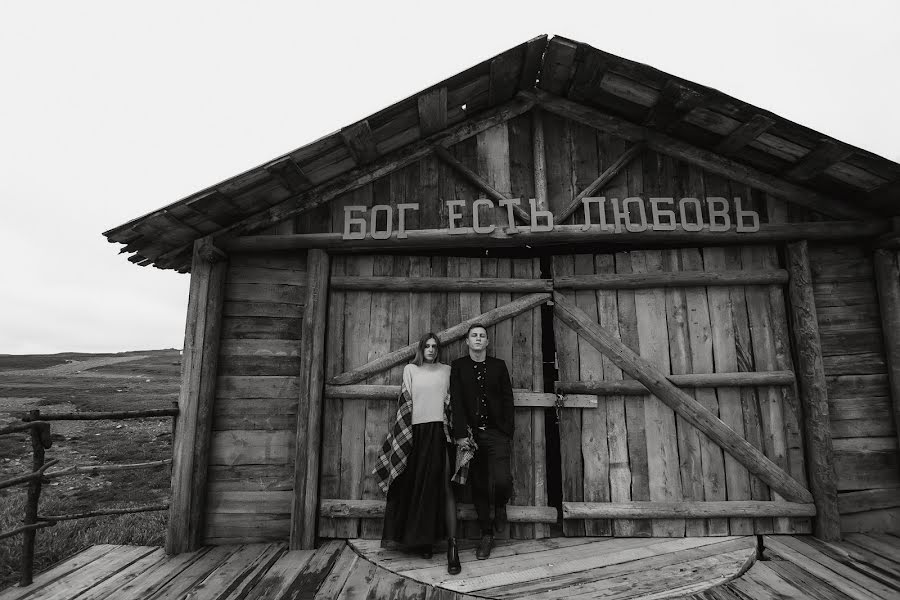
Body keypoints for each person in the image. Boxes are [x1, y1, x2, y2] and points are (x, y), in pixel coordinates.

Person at [373, 332, 462, 575]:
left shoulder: (447, 370)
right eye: (427, 346)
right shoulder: (410, 370)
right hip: (415, 433)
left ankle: (450, 545)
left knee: (441, 485)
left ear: (439, 349)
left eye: (435, 346)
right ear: (421, 348)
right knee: (416, 484)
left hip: (439, 432)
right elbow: (405, 404)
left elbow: (453, 402)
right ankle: (423, 541)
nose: (431, 350)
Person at [450, 323, 515, 560]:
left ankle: (500, 505)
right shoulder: (458, 367)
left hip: (497, 433)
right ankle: (486, 535)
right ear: (467, 341)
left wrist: (507, 431)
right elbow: (456, 402)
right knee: (477, 486)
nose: (478, 339)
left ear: (487, 342)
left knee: (502, 480)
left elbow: (508, 399)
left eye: (482, 336)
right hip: (472, 436)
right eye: (474, 336)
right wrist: (460, 435)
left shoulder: (498, 366)